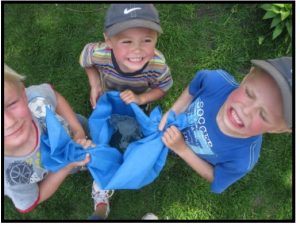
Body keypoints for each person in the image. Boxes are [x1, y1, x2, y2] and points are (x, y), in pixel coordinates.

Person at [79, 3, 173, 220]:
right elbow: (86, 60)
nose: (137, 50)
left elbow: (163, 87)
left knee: (131, 128)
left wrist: (141, 98)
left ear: (156, 40)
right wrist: (94, 84)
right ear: (109, 40)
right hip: (109, 94)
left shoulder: (157, 65)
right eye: (126, 41)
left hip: (137, 101)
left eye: (147, 40)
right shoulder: (100, 53)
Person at [159, 57, 292, 194]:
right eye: (249, 93)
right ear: (247, 77)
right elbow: (196, 84)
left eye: (263, 115)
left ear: (278, 129)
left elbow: (216, 179)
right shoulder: (216, 81)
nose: (245, 111)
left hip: (183, 147)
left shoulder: (243, 158)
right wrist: (173, 111)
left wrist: (182, 150)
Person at [4, 64, 93, 213]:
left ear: (23, 93)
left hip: (73, 130)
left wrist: (78, 130)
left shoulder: (35, 100)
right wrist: (67, 165)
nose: (9, 122)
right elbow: (35, 197)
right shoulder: (9, 176)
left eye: (12, 104)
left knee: (87, 127)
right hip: (61, 165)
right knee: (79, 164)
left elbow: (54, 96)